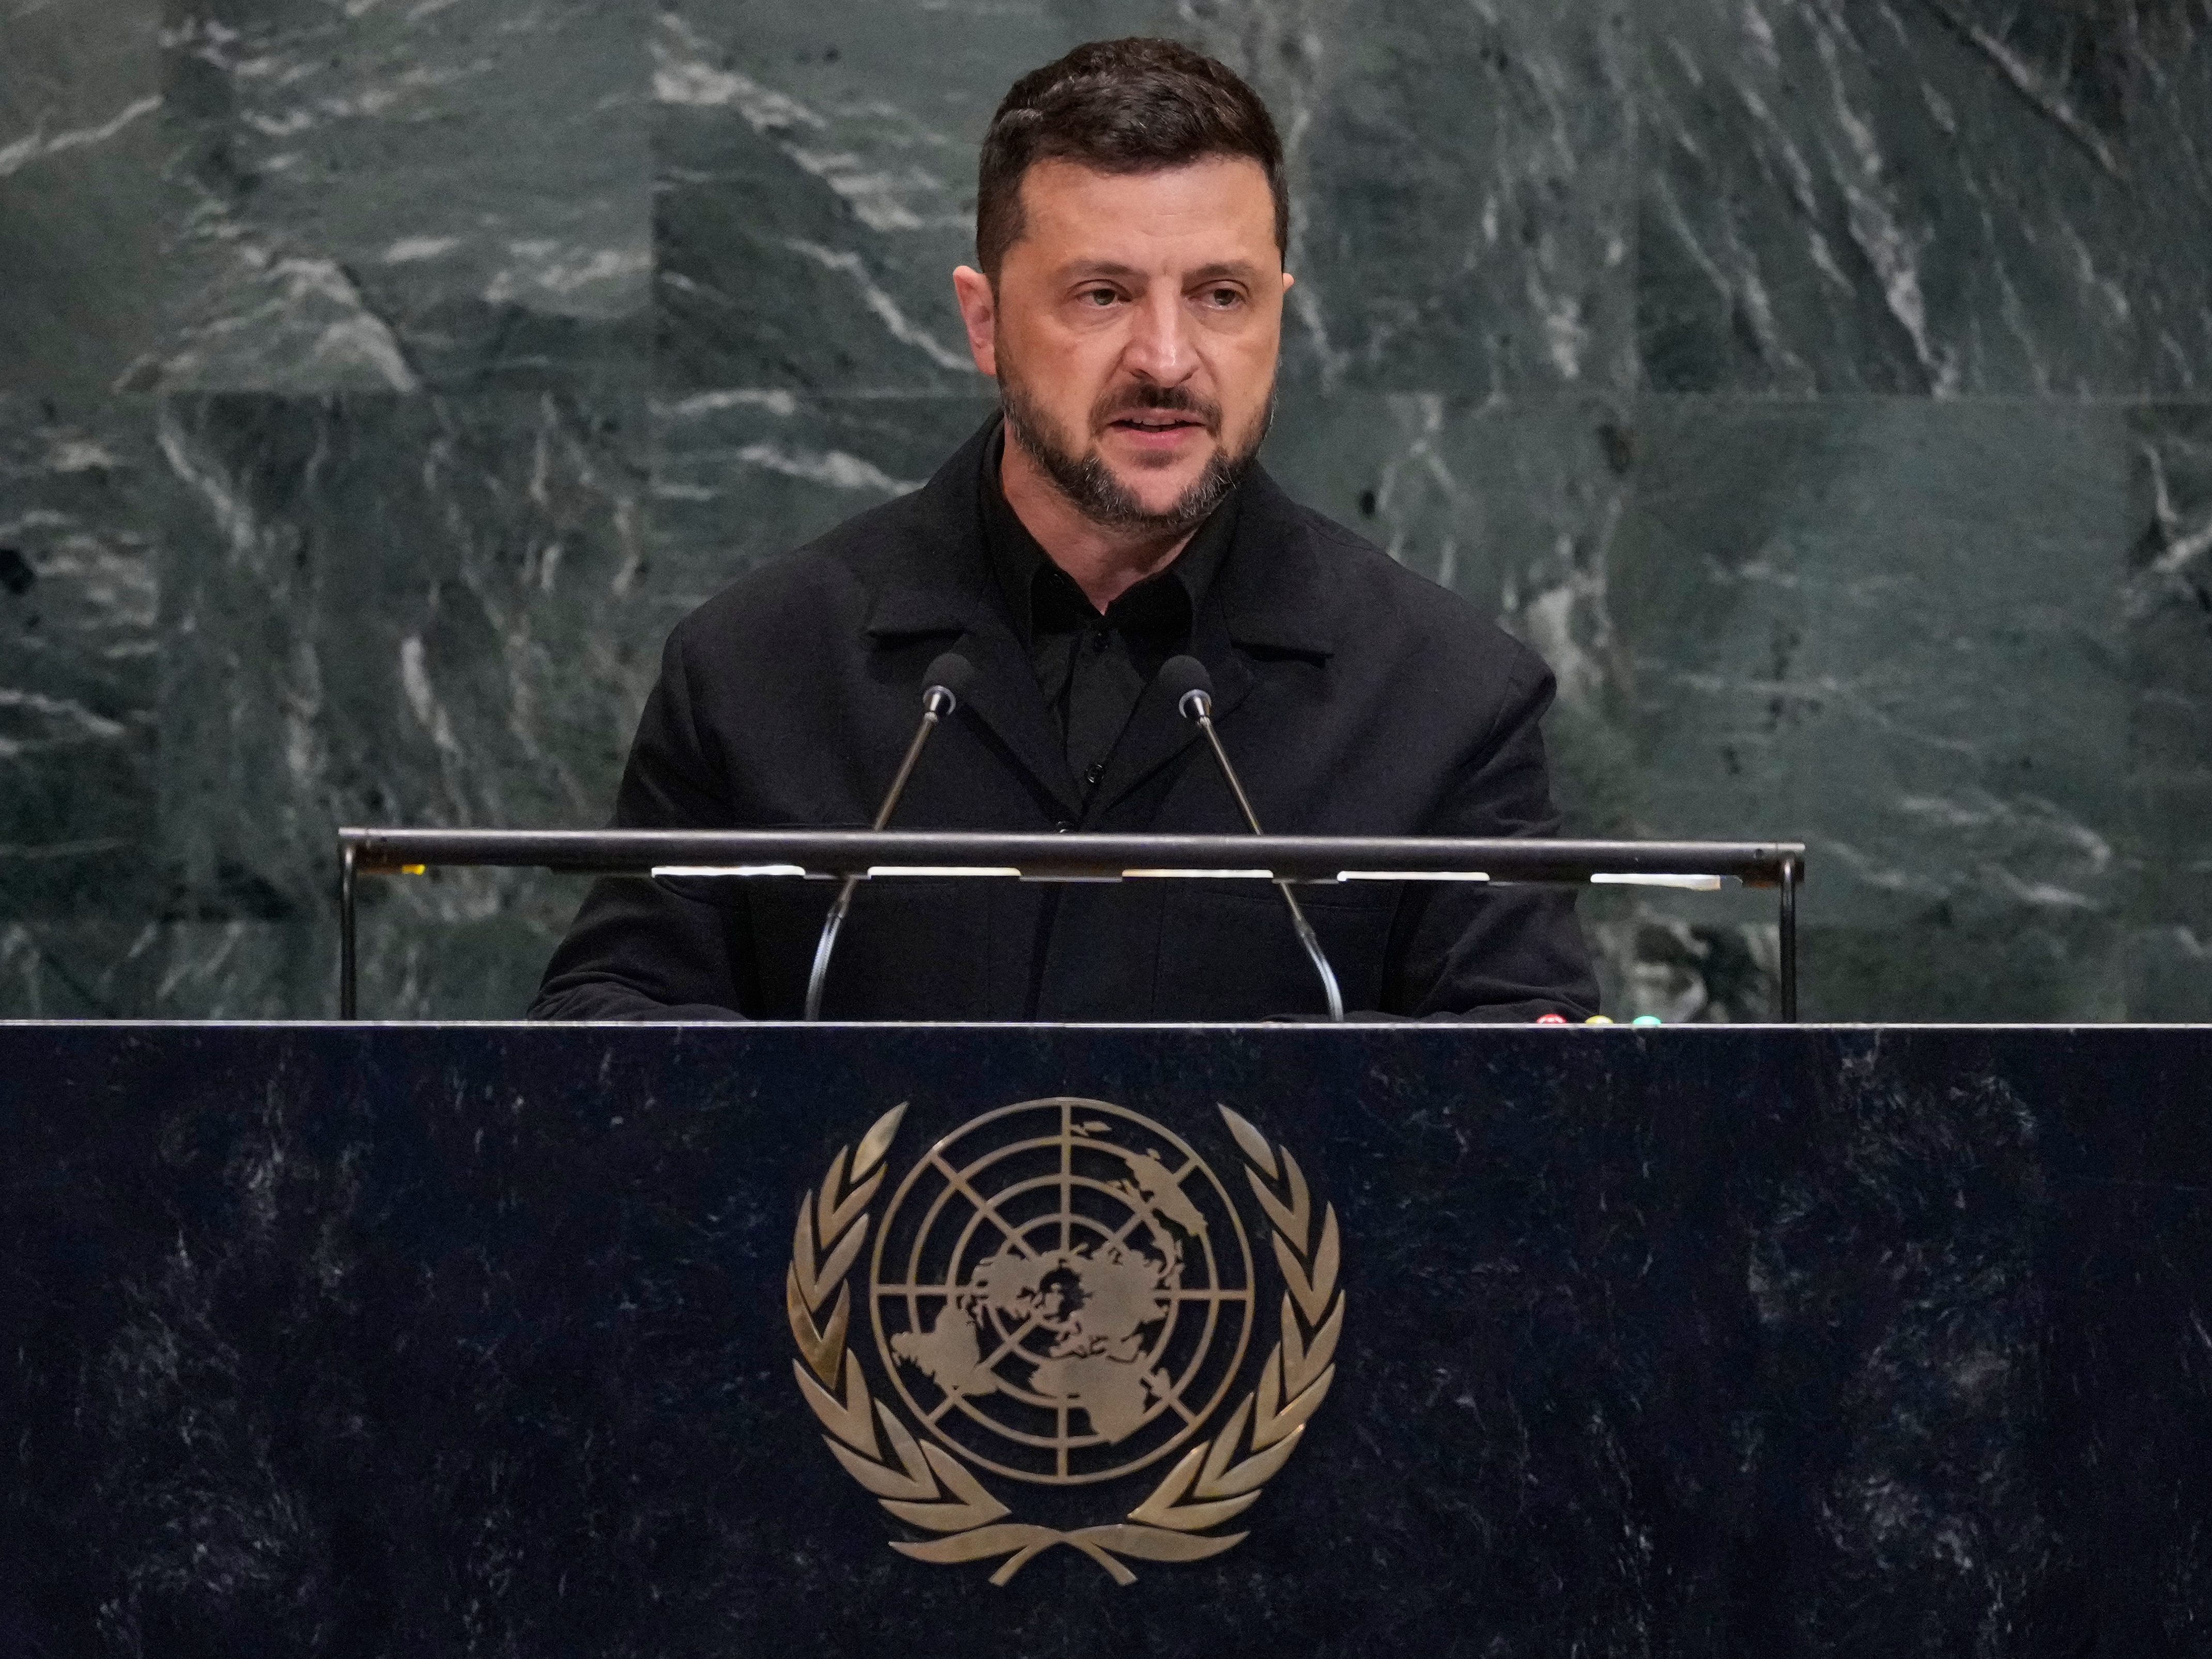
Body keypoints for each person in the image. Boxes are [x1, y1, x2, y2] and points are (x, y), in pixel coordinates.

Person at [530, 37, 1597, 1023]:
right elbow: (610, 1037)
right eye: (1101, 296)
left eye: (1221, 296)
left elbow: (1524, 1093)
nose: (1166, 359)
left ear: (1280, 310)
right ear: (984, 320)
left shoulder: (1450, 699)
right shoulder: (755, 670)